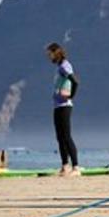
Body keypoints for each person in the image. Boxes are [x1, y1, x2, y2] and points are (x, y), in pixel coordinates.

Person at [46, 42, 80, 176]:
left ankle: (76, 167)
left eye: (50, 54)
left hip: (65, 106)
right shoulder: (59, 66)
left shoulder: (65, 66)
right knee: (59, 137)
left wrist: (71, 96)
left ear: (56, 52)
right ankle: (65, 165)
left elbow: (75, 81)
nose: (49, 57)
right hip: (57, 105)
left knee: (66, 136)